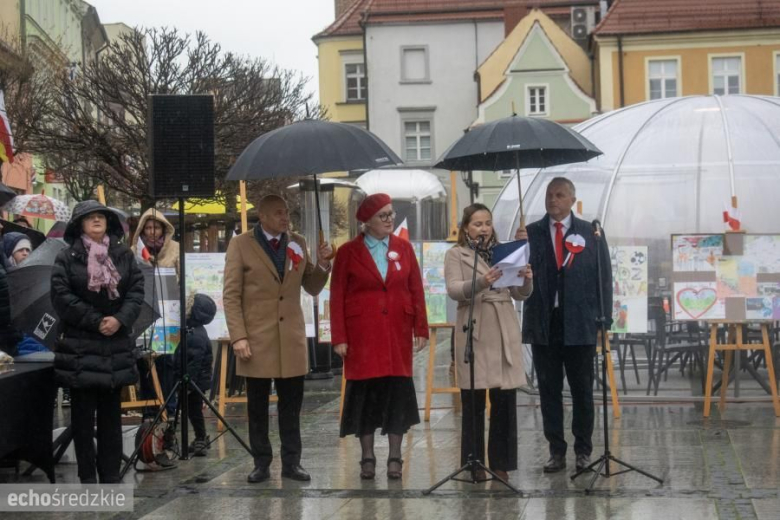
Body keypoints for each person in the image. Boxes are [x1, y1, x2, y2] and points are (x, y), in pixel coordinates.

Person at [223, 194, 332, 483]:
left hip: (290, 338)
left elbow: (310, 286)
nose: (285, 218)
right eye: (279, 213)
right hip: (256, 338)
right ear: (263, 216)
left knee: (291, 405)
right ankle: (261, 461)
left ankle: (292, 462)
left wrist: (321, 265)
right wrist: (239, 337)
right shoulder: (241, 244)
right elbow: (231, 295)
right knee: (257, 406)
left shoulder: (297, 242)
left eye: (287, 213)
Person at [516, 177, 612, 473]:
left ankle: (583, 450)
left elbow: (604, 279)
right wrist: (519, 249)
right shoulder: (531, 233)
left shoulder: (590, 233)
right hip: (546, 323)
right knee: (549, 390)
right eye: (549, 195)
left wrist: (603, 322)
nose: (552, 200)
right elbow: (517, 278)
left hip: (581, 323)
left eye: (559, 195)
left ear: (572, 199)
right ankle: (556, 450)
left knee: (583, 389)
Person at [330, 193, 429, 480]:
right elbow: (337, 296)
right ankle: (367, 457)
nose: (390, 219)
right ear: (367, 222)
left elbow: (416, 290)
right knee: (365, 395)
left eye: (391, 214)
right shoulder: (348, 252)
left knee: (396, 391)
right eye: (383, 216)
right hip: (362, 334)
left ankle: (395, 457)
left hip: (397, 331)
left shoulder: (403, 248)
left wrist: (420, 327)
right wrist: (339, 336)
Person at [50, 200, 145, 483]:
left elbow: (136, 290)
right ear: (79, 224)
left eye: (100, 216)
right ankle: (87, 477)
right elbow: (61, 296)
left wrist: (119, 320)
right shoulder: (67, 258)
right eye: (88, 217)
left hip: (114, 345)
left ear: (108, 222)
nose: (95, 220)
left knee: (111, 419)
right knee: (81, 419)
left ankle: (111, 476)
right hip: (80, 346)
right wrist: (95, 320)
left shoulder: (123, 255)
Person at [444, 203, 533, 482]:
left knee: (504, 399)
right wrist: (482, 281)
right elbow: (454, 290)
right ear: (466, 228)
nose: (484, 229)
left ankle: (501, 464)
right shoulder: (456, 254)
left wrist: (526, 279)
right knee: (473, 400)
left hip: (503, 327)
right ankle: (474, 464)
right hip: (476, 329)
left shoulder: (505, 252)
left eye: (487, 223)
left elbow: (520, 294)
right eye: (477, 224)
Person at [173, 293, 217, 457]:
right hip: (192, 379)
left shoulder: (196, 335)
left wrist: (188, 384)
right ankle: (199, 438)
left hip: (194, 380)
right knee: (191, 409)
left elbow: (194, 362)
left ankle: (200, 438)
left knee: (194, 410)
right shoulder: (192, 329)